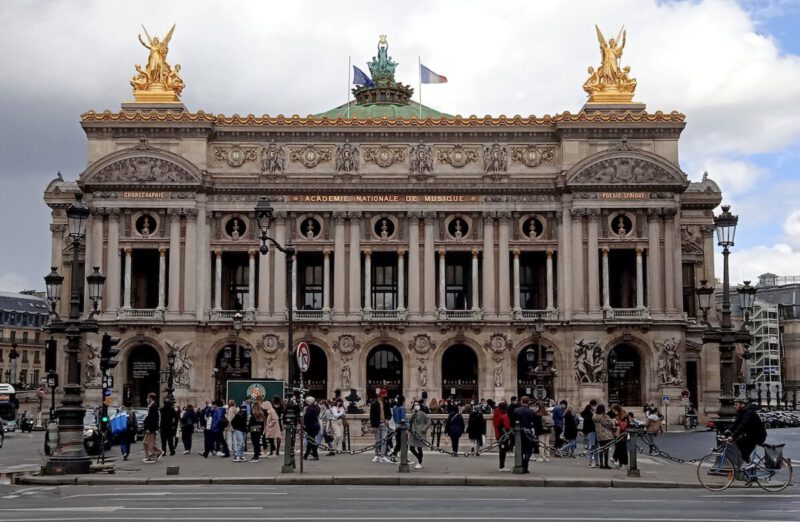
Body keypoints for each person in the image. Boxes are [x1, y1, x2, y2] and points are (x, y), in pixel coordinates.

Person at [727, 398, 767, 469]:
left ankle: (749, 464)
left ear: (742, 405)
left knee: (743, 448)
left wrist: (732, 436)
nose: (734, 406)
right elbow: (736, 425)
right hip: (751, 435)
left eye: (736, 404)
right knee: (740, 442)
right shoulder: (742, 413)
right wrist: (727, 433)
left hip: (758, 436)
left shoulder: (749, 413)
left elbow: (743, 425)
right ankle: (749, 464)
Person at [511, 396, 537, 473]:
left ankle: (520, 464)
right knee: (528, 450)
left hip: (519, 432)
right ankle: (526, 465)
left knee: (520, 449)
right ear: (528, 402)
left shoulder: (516, 410)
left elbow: (513, 421)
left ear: (521, 401)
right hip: (528, 431)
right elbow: (534, 423)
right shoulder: (531, 411)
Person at [370, 389, 391, 463]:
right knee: (377, 441)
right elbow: (372, 416)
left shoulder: (386, 403)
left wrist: (387, 419)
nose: (384, 397)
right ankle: (376, 455)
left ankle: (383, 456)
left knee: (384, 440)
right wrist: (372, 426)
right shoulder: (374, 403)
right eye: (383, 395)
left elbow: (389, 413)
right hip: (377, 424)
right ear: (380, 395)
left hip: (384, 424)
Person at [409, 401, 430, 469]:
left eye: (417, 405)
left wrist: (424, 428)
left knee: (419, 447)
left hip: (420, 432)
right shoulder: (414, 413)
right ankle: (419, 458)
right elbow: (410, 420)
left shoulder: (422, 413)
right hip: (413, 431)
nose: (416, 406)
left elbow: (429, 421)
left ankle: (419, 462)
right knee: (411, 447)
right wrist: (413, 413)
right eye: (415, 405)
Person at [593, 404, 615, 469]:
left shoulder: (594, 416)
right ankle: (606, 464)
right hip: (606, 435)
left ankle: (601, 464)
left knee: (601, 449)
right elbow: (612, 423)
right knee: (606, 449)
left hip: (599, 435)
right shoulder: (604, 416)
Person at [493, 401, 512, 471]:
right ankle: (502, 466)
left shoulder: (496, 414)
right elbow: (507, 426)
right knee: (503, 452)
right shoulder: (504, 416)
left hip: (498, 434)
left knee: (501, 451)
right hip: (504, 435)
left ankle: (501, 466)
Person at [142, 392, 162, 463]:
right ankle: (149, 456)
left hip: (151, 428)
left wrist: (149, 428)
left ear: (150, 398)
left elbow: (153, 419)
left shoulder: (154, 406)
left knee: (149, 443)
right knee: (145, 442)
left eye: (148, 397)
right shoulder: (151, 406)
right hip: (150, 428)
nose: (147, 399)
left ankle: (156, 453)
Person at [389, 396, 408, 461]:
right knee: (403, 443)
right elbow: (403, 419)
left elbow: (394, 417)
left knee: (398, 443)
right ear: (403, 401)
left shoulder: (394, 408)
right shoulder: (402, 408)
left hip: (396, 425)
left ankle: (394, 455)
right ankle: (403, 457)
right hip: (402, 427)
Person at [303, 396, 321, 460]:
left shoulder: (308, 408)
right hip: (316, 425)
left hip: (311, 426)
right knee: (311, 441)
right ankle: (310, 455)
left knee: (311, 441)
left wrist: (304, 426)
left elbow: (306, 418)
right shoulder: (316, 407)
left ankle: (310, 455)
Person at [610, 405, 629, 469]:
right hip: (618, 433)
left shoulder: (623, 415)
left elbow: (623, 425)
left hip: (622, 434)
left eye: (614, 410)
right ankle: (620, 463)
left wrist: (616, 421)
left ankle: (622, 463)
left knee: (622, 448)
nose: (614, 412)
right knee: (619, 447)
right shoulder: (619, 415)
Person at [581, 400, 598, 467]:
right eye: (594, 405)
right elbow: (588, 422)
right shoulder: (588, 413)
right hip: (591, 431)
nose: (595, 407)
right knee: (592, 446)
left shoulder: (590, 412)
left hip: (594, 431)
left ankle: (596, 462)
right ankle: (590, 462)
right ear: (591, 405)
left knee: (596, 447)